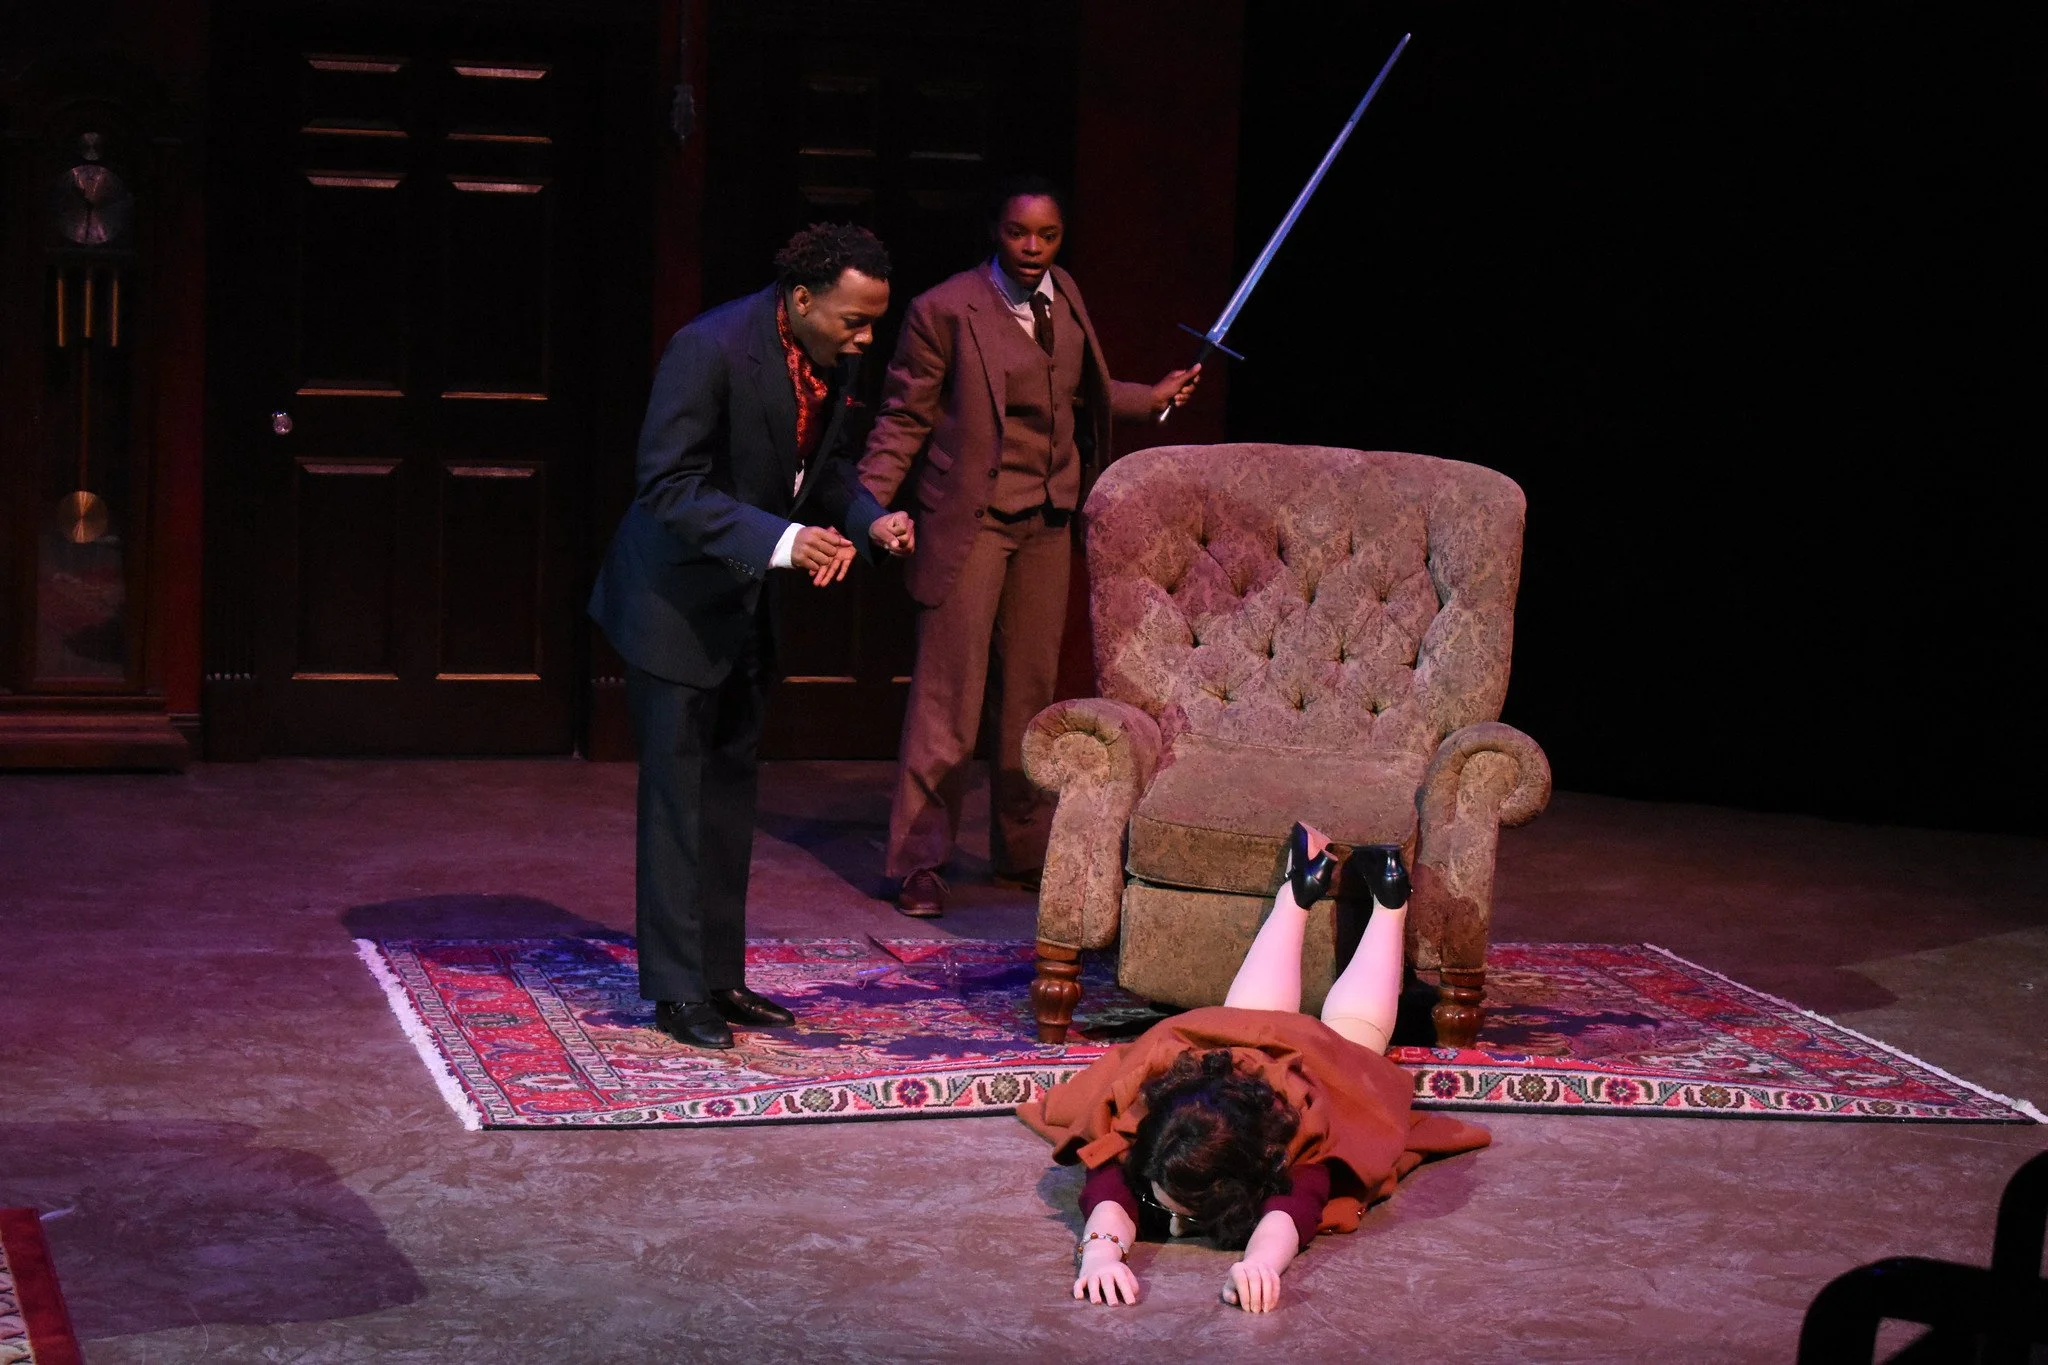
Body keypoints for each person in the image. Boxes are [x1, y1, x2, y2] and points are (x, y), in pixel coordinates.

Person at [589, 223, 916, 1051]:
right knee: (677, 799)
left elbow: (825, 471)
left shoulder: (830, 358)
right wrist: (783, 543)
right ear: (802, 300)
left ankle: (720, 974)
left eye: (873, 322)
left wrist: (870, 523)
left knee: (729, 795)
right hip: (674, 601)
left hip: (745, 606)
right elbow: (669, 485)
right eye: (854, 321)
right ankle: (673, 988)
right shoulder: (707, 350)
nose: (866, 338)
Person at [857, 176, 1200, 919]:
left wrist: (1156, 397)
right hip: (971, 518)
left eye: (1046, 235)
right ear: (995, 231)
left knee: (1030, 694)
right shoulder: (944, 309)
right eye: (1019, 234)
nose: (1033, 248)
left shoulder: (1064, 294)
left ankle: (1022, 847)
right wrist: (865, 504)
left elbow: (1086, 393)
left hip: (1047, 519)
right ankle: (918, 858)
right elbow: (904, 417)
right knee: (950, 695)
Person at [1016, 827, 1493, 1312]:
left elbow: (1293, 1211)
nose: (1164, 1217)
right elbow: (1110, 1189)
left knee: (1352, 1043)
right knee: (1246, 1020)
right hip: (1224, 1041)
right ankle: (1316, 887)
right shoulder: (1153, 1131)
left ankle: (1385, 904)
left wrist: (1262, 1263)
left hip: (1314, 1068)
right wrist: (1098, 1254)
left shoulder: (1297, 1143)